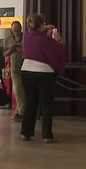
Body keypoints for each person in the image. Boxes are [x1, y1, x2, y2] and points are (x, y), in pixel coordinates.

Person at [20, 14, 66, 143]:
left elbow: (34, 32)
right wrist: (58, 40)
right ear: (42, 23)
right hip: (43, 73)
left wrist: (43, 27)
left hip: (26, 71)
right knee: (46, 105)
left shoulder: (27, 36)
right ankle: (47, 136)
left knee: (30, 103)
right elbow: (58, 51)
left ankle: (25, 133)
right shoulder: (46, 40)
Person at [5, 20, 25, 121]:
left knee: (24, 90)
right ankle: (20, 112)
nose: (15, 31)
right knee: (17, 89)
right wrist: (10, 50)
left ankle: (21, 111)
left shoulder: (26, 38)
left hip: (25, 67)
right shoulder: (8, 39)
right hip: (14, 68)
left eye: (17, 29)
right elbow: (4, 53)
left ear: (21, 29)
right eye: (14, 30)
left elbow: (29, 50)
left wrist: (20, 49)